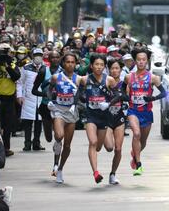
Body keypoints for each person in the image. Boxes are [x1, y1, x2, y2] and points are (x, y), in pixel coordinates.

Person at [125, 48, 166, 176]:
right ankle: (138, 165)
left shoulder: (153, 78)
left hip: (147, 112)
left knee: (142, 142)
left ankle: (135, 155)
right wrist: (124, 97)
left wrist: (152, 98)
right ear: (135, 61)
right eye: (138, 60)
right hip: (133, 110)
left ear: (147, 61)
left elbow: (164, 93)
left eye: (143, 60)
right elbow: (121, 91)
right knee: (136, 134)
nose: (141, 62)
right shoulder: (128, 77)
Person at [78, 54, 117, 184]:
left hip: (104, 117)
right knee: (93, 142)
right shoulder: (84, 79)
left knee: (100, 147)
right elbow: (75, 91)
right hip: (90, 116)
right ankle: (95, 172)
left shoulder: (109, 80)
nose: (99, 67)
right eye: (96, 64)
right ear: (92, 66)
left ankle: (96, 156)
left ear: (104, 66)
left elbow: (118, 96)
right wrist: (77, 103)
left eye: (101, 65)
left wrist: (109, 104)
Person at [45, 53, 80, 184]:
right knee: (59, 136)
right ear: (63, 63)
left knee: (67, 145)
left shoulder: (78, 79)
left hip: (71, 112)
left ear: (75, 64)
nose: (70, 64)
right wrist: (51, 101)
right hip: (59, 110)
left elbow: (82, 94)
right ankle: (55, 161)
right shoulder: (56, 77)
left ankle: (60, 169)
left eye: (72, 62)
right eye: (67, 62)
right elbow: (49, 90)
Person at [0, 45, 21, 156]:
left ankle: (6, 148)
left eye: (6, 52)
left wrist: (8, 65)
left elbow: (16, 77)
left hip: (9, 99)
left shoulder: (13, 65)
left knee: (8, 125)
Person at [16, 48, 46, 151]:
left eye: (40, 55)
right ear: (32, 56)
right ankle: (27, 144)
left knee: (39, 122)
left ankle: (36, 143)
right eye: (36, 55)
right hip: (28, 98)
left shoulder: (45, 68)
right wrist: (19, 96)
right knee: (28, 122)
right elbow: (20, 83)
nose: (38, 57)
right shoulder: (26, 68)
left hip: (41, 98)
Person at [104, 58, 127, 185]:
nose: (114, 71)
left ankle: (113, 174)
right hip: (106, 118)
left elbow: (128, 97)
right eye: (112, 68)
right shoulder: (105, 82)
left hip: (120, 118)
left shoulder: (124, 84)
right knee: (109, 147)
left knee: (118, 149)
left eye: (117, 68)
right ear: (108, 70)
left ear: (121, 70)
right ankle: (100, 135)